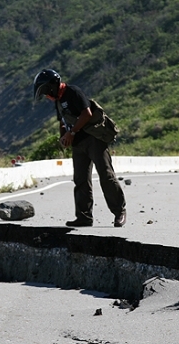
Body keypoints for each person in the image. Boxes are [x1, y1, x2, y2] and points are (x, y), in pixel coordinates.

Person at [33, 69, 127, 227]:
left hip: (93, 139)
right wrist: (63, 137)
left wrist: (72, 132)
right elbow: (63, 121)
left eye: (46, 93)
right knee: (81, 180)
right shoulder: (58, 101)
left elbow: (87, 113)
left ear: (52, 87)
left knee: (106, 175)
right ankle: (84, 216)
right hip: (78, 144)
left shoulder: (73, 92)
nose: (47, 97)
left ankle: (119, 212)